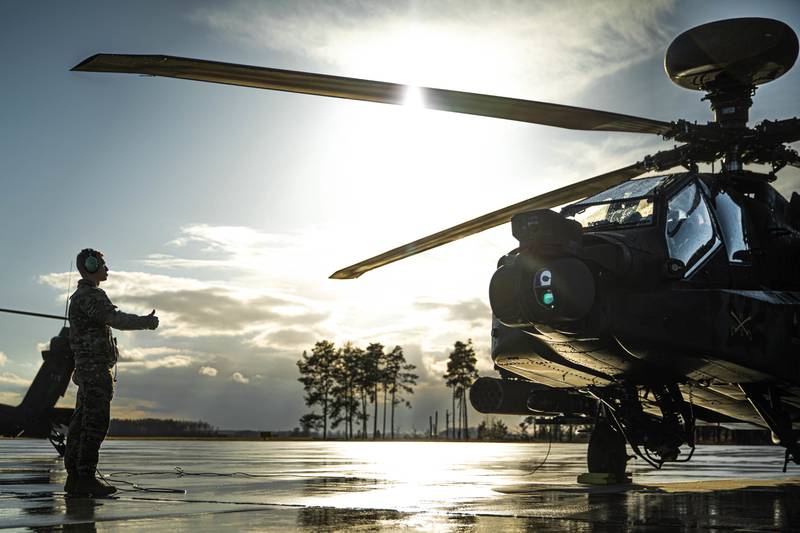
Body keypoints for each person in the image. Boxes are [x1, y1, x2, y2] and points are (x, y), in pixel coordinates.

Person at [64, 248, 159, 496]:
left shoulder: (82, 295)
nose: (107, 269)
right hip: (95, 370)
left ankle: (75, 478)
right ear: (91, 265)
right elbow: (114, 318)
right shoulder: (90, 295)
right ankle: (84, 477)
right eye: (103, 264)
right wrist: (145, 322)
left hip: (87, 369)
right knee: (94, 422)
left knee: (80, 423)